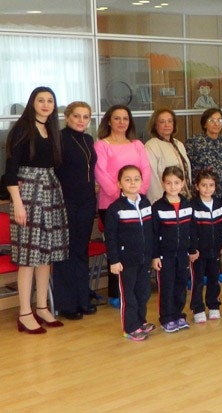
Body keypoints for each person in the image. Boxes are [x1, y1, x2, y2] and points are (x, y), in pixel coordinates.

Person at [5, 86, 67, 334]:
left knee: (45, 256)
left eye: (50, 100)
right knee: (28, 257)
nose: (45, 104)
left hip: (50, 190)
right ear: (32, 103)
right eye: (40, 100)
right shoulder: (22, 129)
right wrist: (18, 203)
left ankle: (41, 307)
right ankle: (24, 313)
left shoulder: (52, 130)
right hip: (28, 194)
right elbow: (11, 170)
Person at [94, 104, 151, 308]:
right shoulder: (101, 145)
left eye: (125, 118)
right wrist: (121, 194)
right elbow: (100, 173)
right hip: (111, 203)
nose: (121, 122)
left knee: (136, 244)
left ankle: (135, 290)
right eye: (117, 118)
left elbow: (145, 170)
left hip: (136, 202)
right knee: (116, 245)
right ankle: (115, 292)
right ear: (109, 121)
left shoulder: (137, 144)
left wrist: (137, 192)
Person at [53, 101, 98, 320]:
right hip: (66, 201)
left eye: (85, 117)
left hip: (87, 201)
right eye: (76, 116)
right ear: (67, 117)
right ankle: (67, 303)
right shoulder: (59, 139)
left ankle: (82, 298)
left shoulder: (88, 139)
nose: (81, 120)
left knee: (81, 250)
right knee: (66, 252)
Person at [104, 165, 155, 341]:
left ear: (142, 182)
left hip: (144, 258)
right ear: (119, 184)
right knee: (129, 296)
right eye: (127, 179)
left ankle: (140, 321)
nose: (132, 183)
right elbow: (111, 237)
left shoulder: (147, 204)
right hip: (126, 261)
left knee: (143, 292)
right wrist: (114, 260)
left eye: (136, 179)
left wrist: (153, 255)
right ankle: (130, 327)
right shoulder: (115, 209)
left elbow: (151, 232)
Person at [152, 166, 196, 333]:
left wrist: (192, 249)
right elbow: (154, 234)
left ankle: (178, 315)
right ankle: (167, 318)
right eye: (169, 183)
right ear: (163, 184)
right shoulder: (158, 207)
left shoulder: (187, 204)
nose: (173, 186)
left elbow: (192, 230)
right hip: (165, 255)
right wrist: (155, 256)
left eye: (176, 182)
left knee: (181, 284)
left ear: (182, 183)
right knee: (167, 286)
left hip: (182, 253)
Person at [189, 170, 222, 323]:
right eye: (204, 185)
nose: (207, 189)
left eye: (211, 185)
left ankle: (213, 305)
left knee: (214, 279)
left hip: (215, 250)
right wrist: (193, 248)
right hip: (198, 252)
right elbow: (191, 230)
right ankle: (198, 308)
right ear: (197, 186)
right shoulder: (192, 206)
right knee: (197, 280)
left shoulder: (218, 204)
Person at [145, 108, 192, 203]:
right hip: (165, 200)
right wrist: (160, 202)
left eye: (170, 121)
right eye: (162, 122)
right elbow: (152, 180)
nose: (167, 125)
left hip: (183, 198)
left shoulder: (179, 144)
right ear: (155, 126)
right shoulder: (151, 146)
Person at [186, 108, 222, 196]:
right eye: (212, 120)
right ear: (205, 124)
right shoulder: (194, 142)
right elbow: (186, 166)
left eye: (219, 120)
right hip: (201, 192)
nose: (216, 123)